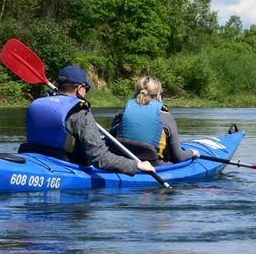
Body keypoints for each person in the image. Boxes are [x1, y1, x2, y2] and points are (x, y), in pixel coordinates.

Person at [20, 65, 155, 176]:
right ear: (80, 89)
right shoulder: (79, 112)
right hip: (66, 168)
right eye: (87, 88)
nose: (87, 92)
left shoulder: (41, 103)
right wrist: (136, 164)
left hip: (34, 158)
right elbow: (99, 158)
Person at [110, 75, 199, 165]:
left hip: (124, 164)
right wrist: (192, 152)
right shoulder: (166, 118)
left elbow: (110, 143)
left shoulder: (121, 114)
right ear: (158, 96)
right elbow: (178, 157)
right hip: (154, 166)